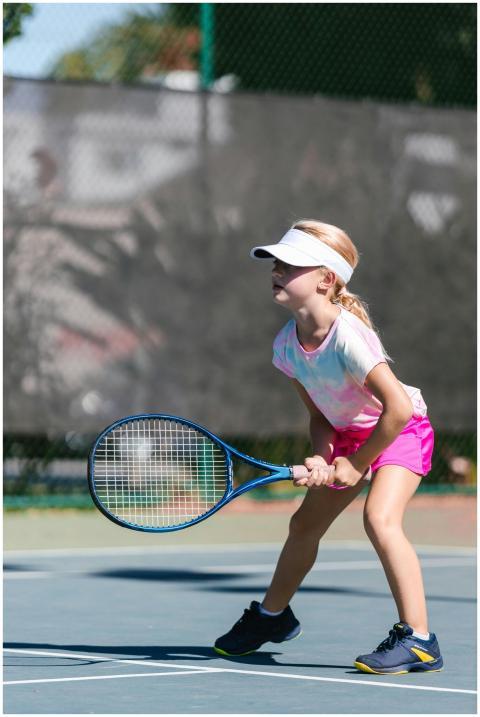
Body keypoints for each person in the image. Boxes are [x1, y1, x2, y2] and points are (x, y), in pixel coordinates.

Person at [214, 219, 443, 675]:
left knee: (379, 518)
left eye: (290, 264)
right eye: (276, 263)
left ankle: (419, 639)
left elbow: (396, 407)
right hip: (352, 437)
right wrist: (322, 457)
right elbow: (321, 415)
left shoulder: (349, 337)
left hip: (400, 428)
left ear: (327, 279)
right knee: (303, 526)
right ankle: (272, 618)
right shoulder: (286, 346)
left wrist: (356, 464)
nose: (277, 270)